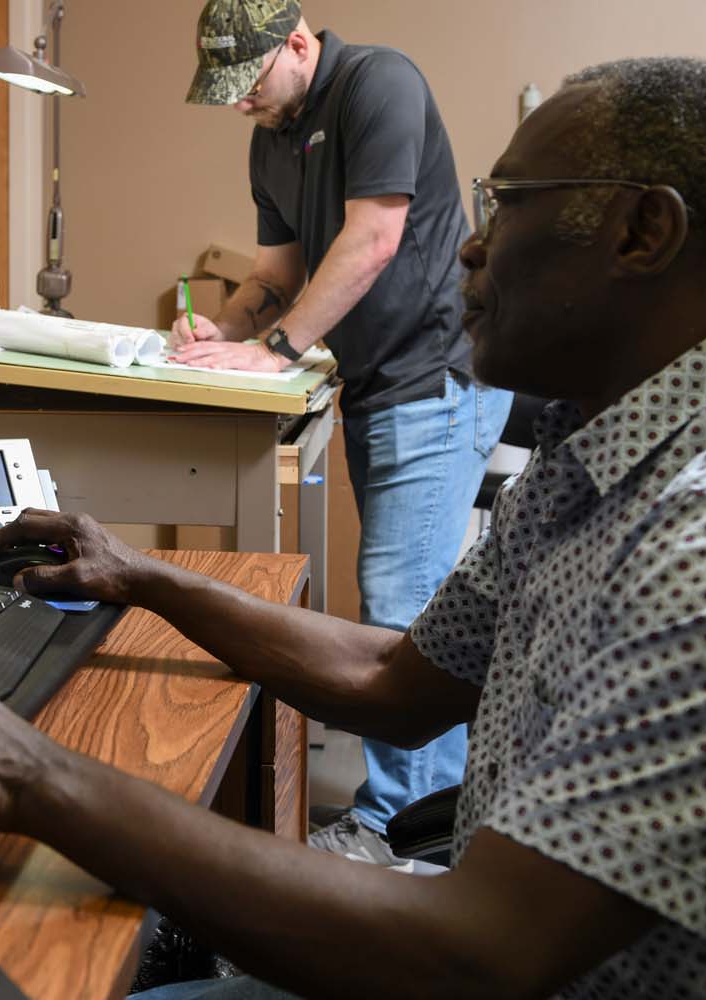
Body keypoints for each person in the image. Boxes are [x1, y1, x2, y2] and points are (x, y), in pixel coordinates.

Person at [0, 57, 706, 998]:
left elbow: (481, 954)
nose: (468, 248)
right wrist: (141, 576)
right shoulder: (613, 432)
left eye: (501, 206)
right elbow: (398, 675)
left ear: (640, 232)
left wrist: (23, 767)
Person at [171, 0, 513, 865]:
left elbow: (374, 238)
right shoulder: (271, 136)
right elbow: (276, 272)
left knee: (405, 615)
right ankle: (422, 821)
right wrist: (230, 329)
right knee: (404, 601)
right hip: (376, 382)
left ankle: (410, 840)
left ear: (296, 43)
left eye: (248, 85)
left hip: (434, 377)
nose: (241, 105)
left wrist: (276, 349)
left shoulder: (379, 83)